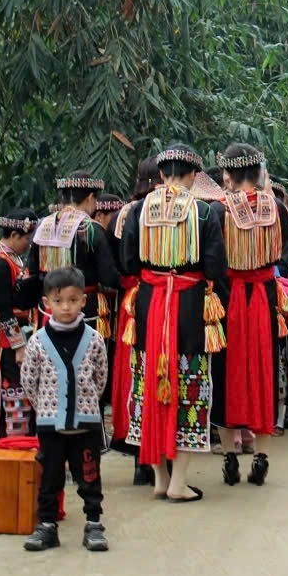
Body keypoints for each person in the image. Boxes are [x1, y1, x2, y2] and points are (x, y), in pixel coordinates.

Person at [120, 145, 227, 502]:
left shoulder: (137, 210)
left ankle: (161, 478)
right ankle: (180, 482)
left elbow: (129, 263)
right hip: (189, 304)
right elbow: (214, 267)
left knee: (149, 379)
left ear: (161, 174)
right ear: (194, 175)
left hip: (150, 303)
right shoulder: (204, 212)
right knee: (187, 383)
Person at [210, 143, 288, 487]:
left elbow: (212, 260)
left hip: (230, 298)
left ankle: (230, 453)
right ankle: (261, 454)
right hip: (263, 295)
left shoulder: (217, 210)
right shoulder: (276, 207)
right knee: (264, 367)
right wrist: (273, 276)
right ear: (259, 173)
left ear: (227, 174)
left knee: (226, 371)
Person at [20, 266, 110, 552]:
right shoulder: (37, 342)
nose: (66, 307)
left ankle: (94, 523)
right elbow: (29, 381)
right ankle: (47, 526)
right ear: (47, 304)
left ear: (84, 300)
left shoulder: (94, 339)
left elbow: (100, 377)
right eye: (58, 302)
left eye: (73, 300)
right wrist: (46, 408)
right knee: (50, 476)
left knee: (89, 473)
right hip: (50, 424)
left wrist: (87, 403)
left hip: (86, 424)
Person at [108, 158, 160, 484]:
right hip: (157, 296)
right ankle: (155, 454)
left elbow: (117, 265)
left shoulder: (121, 214)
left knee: (132, 372)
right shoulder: (171, 210)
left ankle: (139, 453)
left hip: (129, 301)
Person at [0, 209, 41, 443]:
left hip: (11, 334)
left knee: (18, 386)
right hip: (3, 339)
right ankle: (11, 441)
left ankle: (19, 438)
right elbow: (4, 309)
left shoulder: (9, 257)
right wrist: (19, 346)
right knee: (11, 386)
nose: (28, 244)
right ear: (14, 235)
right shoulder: (0, 263)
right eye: (26, 239)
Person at [29, 172, 121, 338]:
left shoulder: (42, 226)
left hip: (50, 308)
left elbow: (33, 271)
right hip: (83, 309)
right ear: (91, 197)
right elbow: (109, 277)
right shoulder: (91, 229)